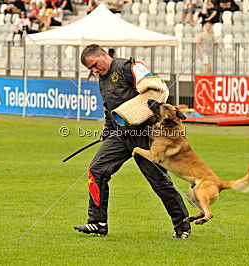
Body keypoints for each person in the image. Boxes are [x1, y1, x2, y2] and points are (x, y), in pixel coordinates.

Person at [73, 44, 191, 239]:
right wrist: (108, 130)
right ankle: (97, 223)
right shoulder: (102, 79)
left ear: (103, 55)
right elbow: (109, 108)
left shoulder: (128, 68)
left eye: (94, 65)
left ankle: (182, 226)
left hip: (145, 134)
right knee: (96, 171)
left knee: (159, 181)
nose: (94, 71)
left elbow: (156, 91)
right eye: (90, 69)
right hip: (120, 136)